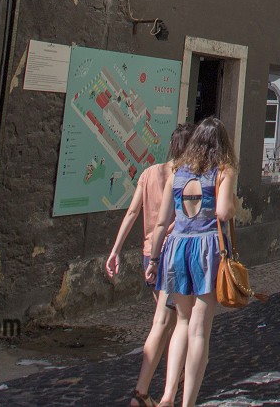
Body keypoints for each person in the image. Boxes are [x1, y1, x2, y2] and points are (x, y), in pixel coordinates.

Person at [144, 118, 238, 407]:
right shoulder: (224, 170)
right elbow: (222, 212)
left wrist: (154, 259)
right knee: (200, 330)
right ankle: (188, 402)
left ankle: (167, 395)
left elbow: (162, 223)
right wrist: (233, 202)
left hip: (177, 247)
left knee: (181, 322)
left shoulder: (178, 172)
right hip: (206, 247)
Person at [106, 123, 193, 407]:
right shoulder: (184, 178)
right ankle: (149, 391)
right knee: (171, 322)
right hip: (171, 255)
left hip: (149, 253)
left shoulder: (148, 174)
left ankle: (163, 385)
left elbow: (132, 213)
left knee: (166, 321)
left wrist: (116, 250)